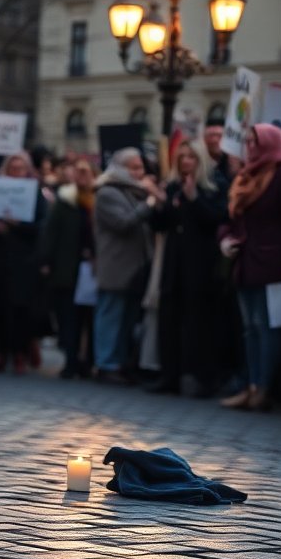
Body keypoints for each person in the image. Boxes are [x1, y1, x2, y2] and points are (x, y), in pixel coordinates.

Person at [217, 124, 281, 411]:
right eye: (248, 142)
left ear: (270, 144)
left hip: (271, 263)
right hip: (244, 262)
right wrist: (225, 239)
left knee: (265, 328)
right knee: (249, 329)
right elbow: (229, 220)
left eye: (255, 142)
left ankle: (263, 387)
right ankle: (251, 384)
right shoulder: (245, 176)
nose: (250, 147)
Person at [149, 140, 228, 395]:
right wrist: (160, 205)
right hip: (174, 262)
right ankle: (169, 375)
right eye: (181, 157)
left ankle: (201, 377)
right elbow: (160, 225)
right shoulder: (172, 187)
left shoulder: (214, 187)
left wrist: (194, 198)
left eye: (191, 157)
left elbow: (215, 219)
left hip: (201, 263)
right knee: (169, 319)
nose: (185, 162)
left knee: (199, 321)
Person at [92, 147, 162, 383]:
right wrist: (150, 202)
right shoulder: (108, 193)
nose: (138, 172)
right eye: (133, 167)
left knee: (128, 318)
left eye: (140, 167)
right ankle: (106, 363)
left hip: (136, 267)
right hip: (116, 266)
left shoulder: (136, 192)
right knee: (111, 315)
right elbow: (124, 222)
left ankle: (121, 363)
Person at [0, 153, 49, 374]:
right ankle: (1, 352)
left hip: (25, 260)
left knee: (21, 308)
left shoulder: (35, 193)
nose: (16, 172)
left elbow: (42, 225)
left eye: (20, 168)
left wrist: (18, 224)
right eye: (12, 168)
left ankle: (20, 353)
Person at [38, 157, 97, 378]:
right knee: (70, 319)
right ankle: (71, 361)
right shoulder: (65, 201)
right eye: (78, 171)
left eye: (85, 172)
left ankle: (88, 362)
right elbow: (51, 233)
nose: (81, 176)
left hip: (92, 269)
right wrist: (46, 261)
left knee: (89, 319)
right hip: (68, 269)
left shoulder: (97, 200)